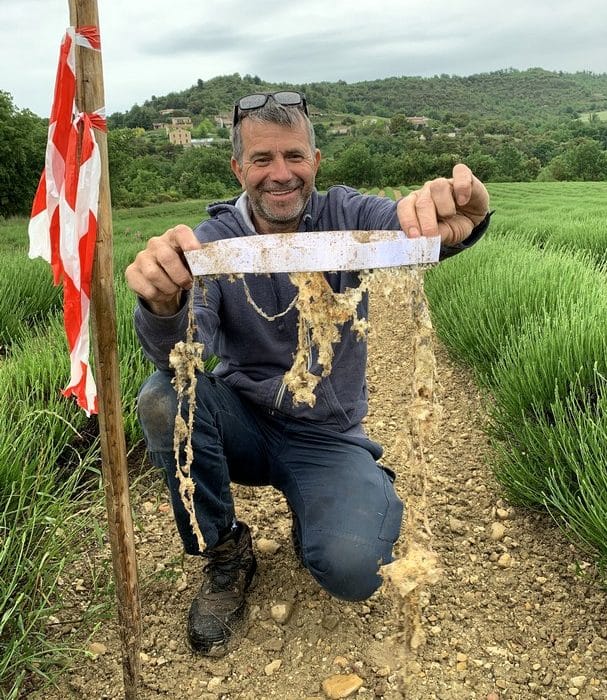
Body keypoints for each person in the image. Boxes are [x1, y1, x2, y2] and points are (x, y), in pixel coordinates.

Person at [125, 90, 491, 655]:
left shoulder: (349, 214)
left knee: (353, 570)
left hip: (325, 433)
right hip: (245, 420)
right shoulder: (214, 242)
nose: (280, 174)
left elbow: (410, 234)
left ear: (315, 161)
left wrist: (456, 218)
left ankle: (342, 498)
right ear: (238, 168)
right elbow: (181, 351)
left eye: (294, 156)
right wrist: (162, 304)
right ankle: (225, 554)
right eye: (262, 160)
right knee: (162, 397)